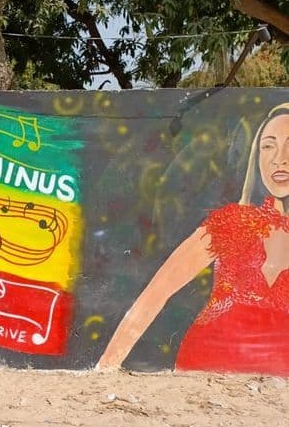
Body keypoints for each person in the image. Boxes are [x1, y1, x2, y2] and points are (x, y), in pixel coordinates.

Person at [98, 103, 289, 376]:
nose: (279, 158)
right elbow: (156, 292)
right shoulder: (232, 222)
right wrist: (106, 366)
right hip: (204, 369)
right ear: (257, 158)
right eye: (268, 146)